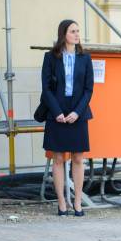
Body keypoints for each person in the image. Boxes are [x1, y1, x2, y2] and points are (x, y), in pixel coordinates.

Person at [42, 20, 94, 217]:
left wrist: (77, 112)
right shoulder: (50, 57)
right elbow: (46, 88)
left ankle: (78, 202)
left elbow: (89, 89)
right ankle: (62, 202)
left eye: (78, 31)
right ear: (63, 34)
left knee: (78, 158)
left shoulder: (85, 58)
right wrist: (57, 112)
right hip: (57, 113)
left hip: (77, 113)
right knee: (57, 158)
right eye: (73, 31)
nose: (77, 34)